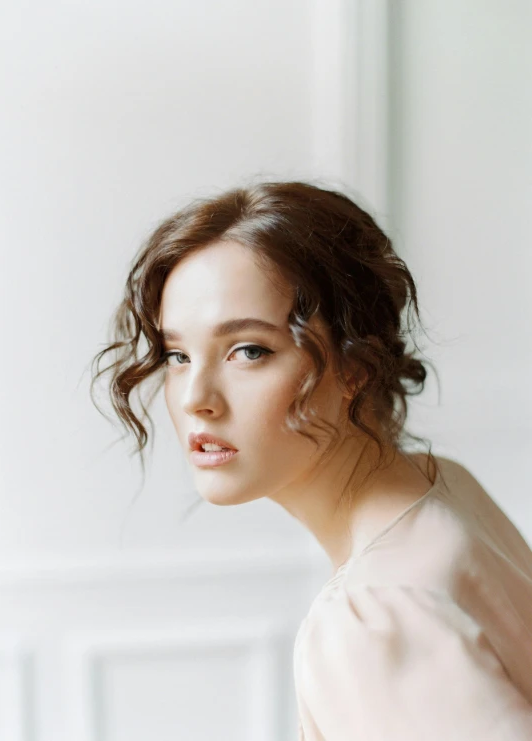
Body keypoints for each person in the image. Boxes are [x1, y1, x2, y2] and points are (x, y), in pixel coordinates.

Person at [90, 180, 532, 739]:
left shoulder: (372, 616)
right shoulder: (439, 487)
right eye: (177, 354)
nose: (192, 396)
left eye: (249, 350)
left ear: (354, 365)